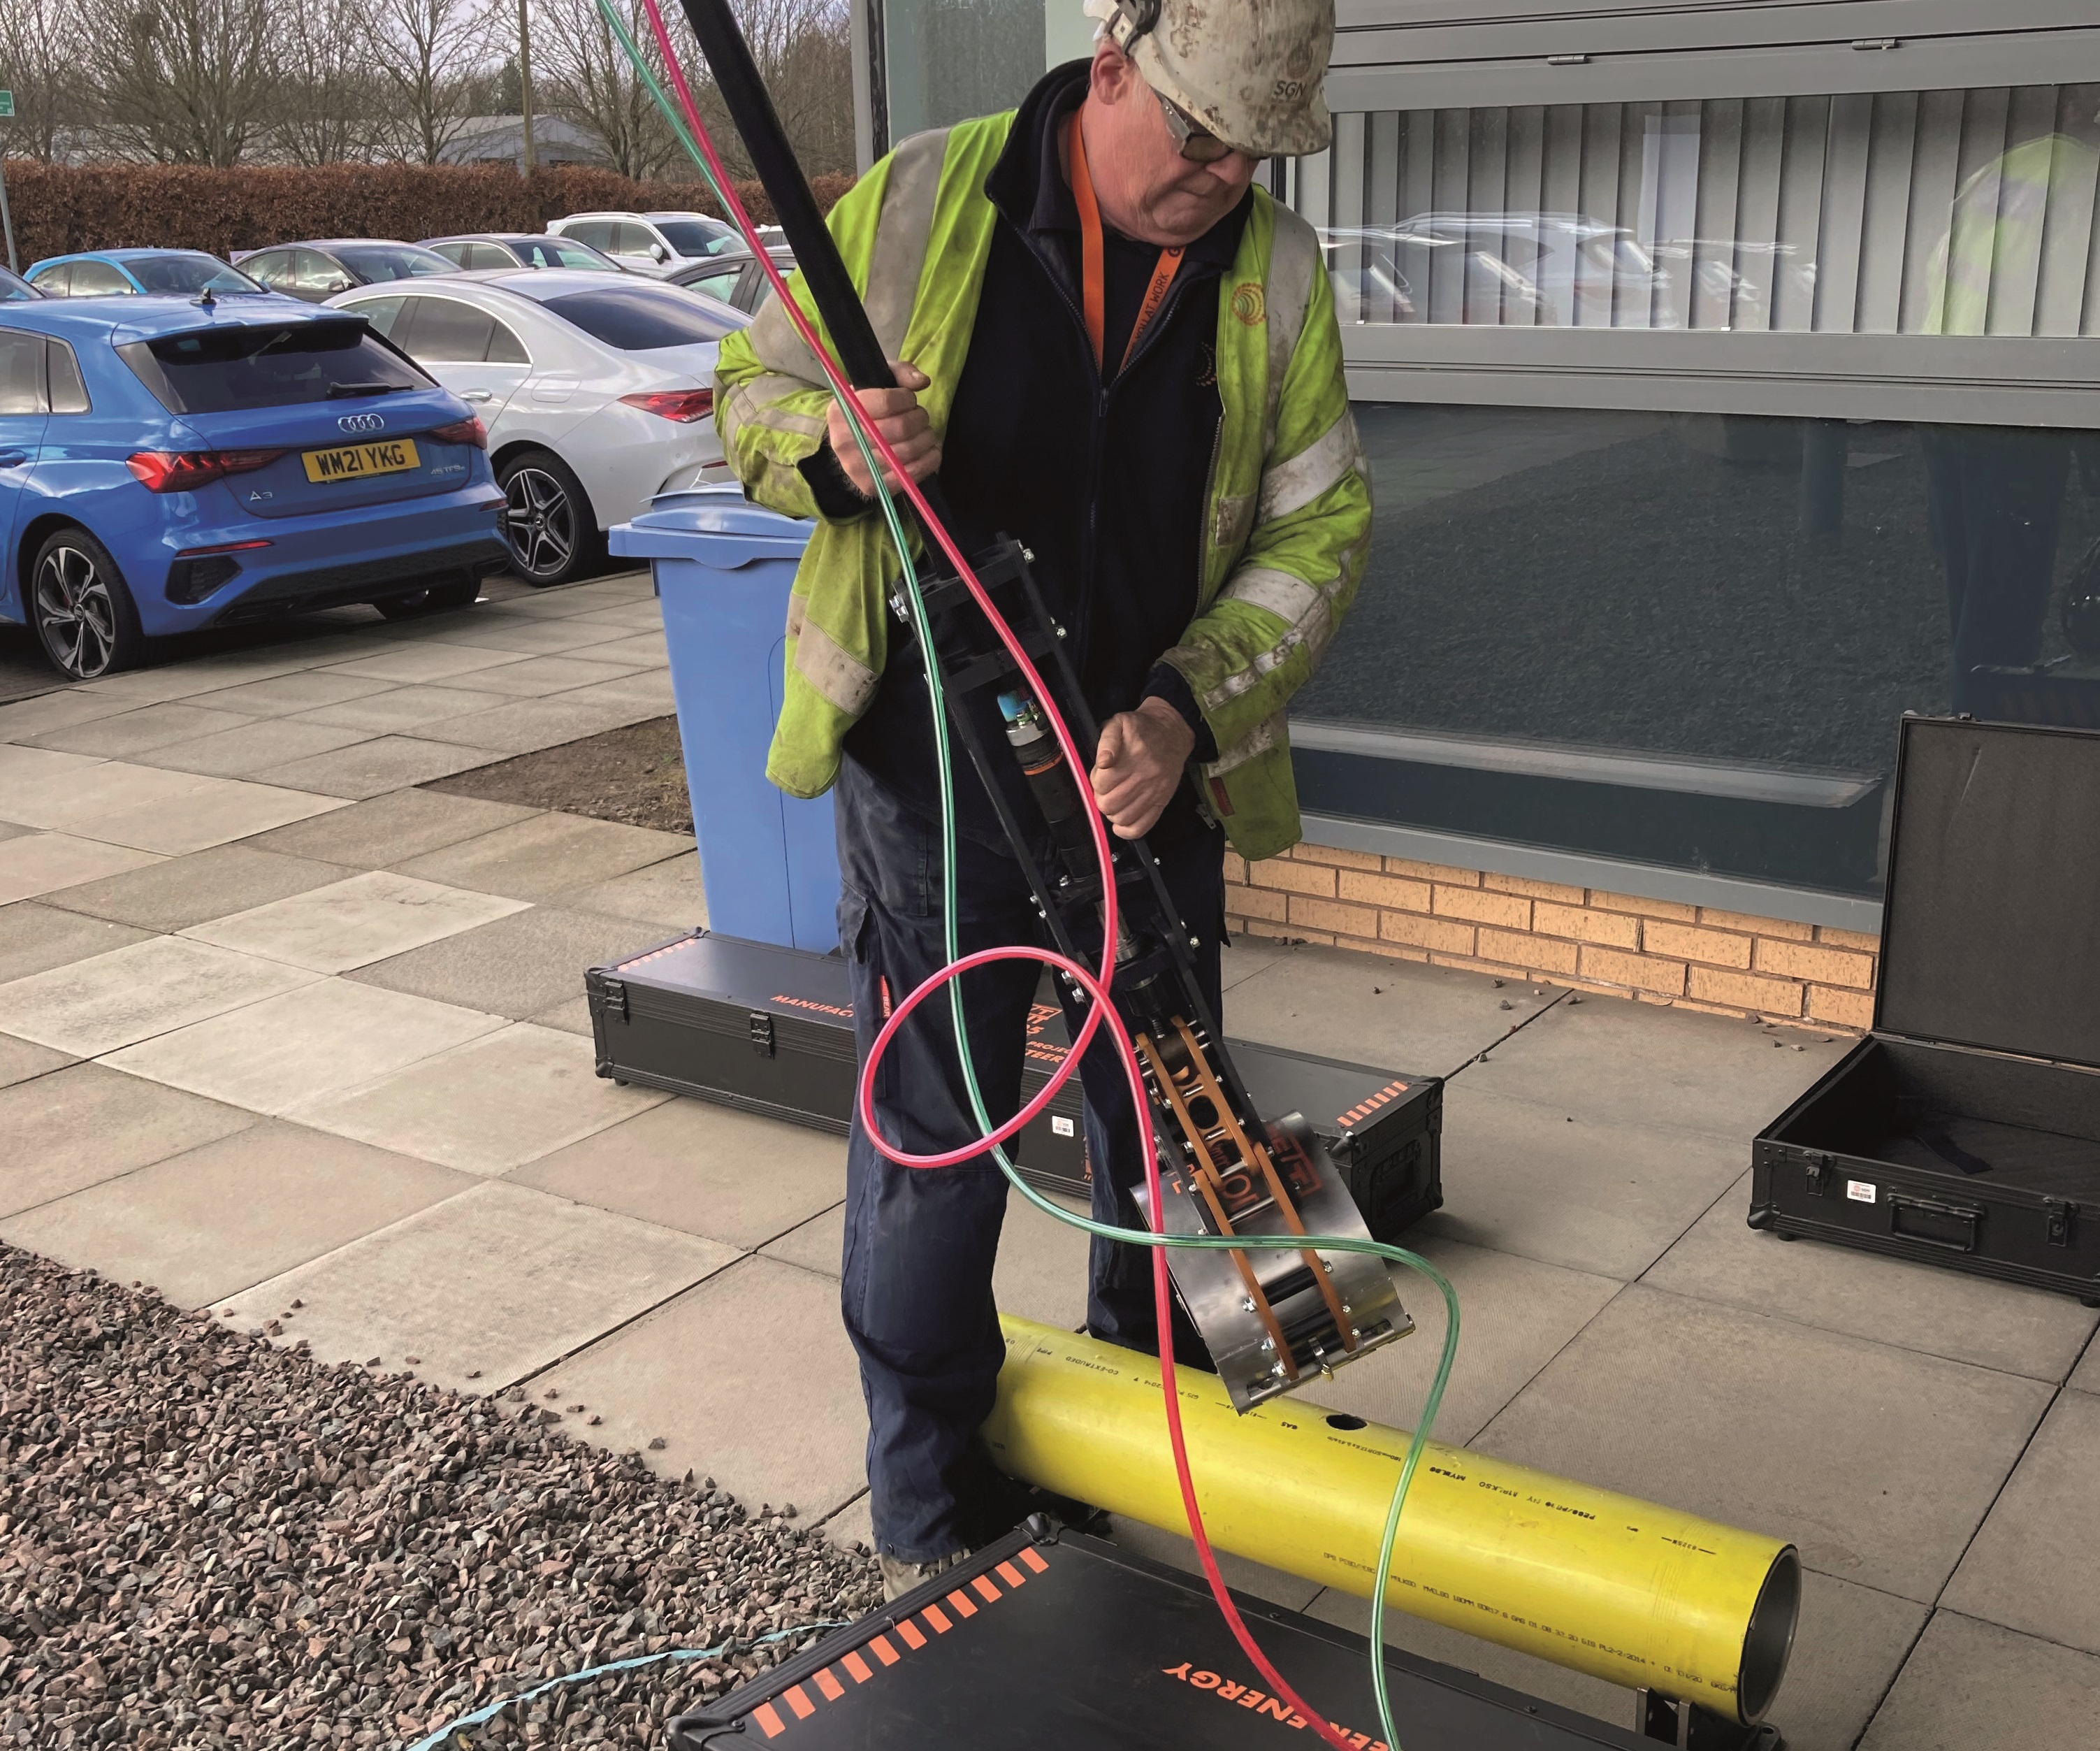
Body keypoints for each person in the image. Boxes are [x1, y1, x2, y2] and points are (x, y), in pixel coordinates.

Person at [714, 0, 1369, 1600]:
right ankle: (932, 1520)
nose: (1220, 176)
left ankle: (1149, 1464)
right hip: (930, 777)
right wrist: (832, 449)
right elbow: (744, 386)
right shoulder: (923, 197)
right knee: (941, 1145)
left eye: (1253, 153)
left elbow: (1322, 529)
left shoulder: (1279, 277)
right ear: (1113, 65)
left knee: (1167, 1129)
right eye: (1196, 133)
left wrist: (1185, 704)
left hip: (1147, 782)